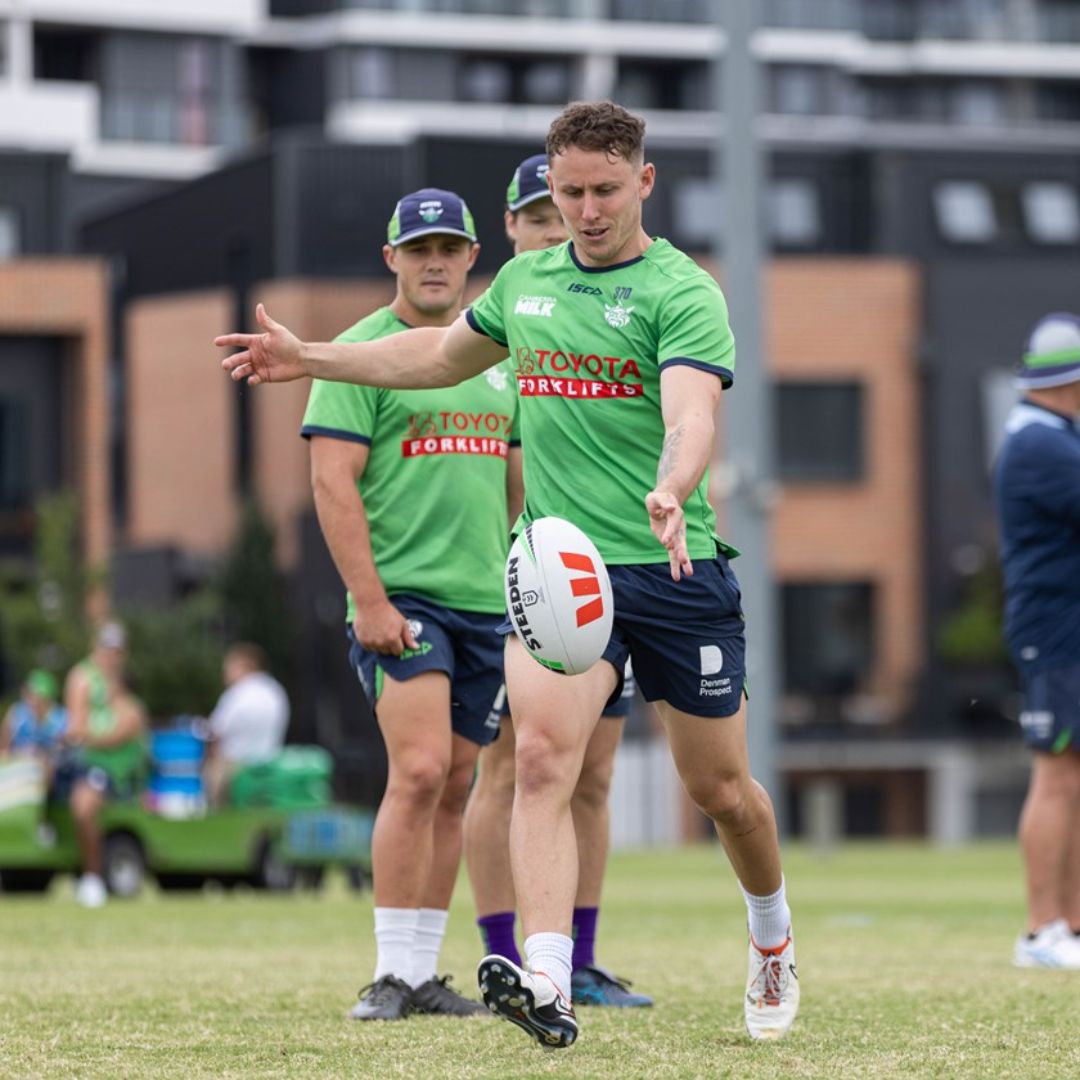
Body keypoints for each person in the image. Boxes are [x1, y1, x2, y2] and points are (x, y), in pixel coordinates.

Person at [216, 101, 799, 1048]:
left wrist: (673, 483)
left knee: (722, 791)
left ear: (643, 183)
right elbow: (437, 356)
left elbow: (692, 411)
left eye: (605, 190)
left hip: (672, 564)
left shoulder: (681, 291)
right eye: (568, 192)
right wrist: (309, 354)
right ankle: (549, 982)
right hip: (561, 570)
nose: (586, 209)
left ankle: (771, 936)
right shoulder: (526, 282)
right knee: (536, 763)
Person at [299, 187, 522, 1021]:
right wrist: (368, 599)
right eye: (418, 249)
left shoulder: (494, 356)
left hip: (485, 606)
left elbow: (515, 481)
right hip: (404, 602)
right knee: (421, 768)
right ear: (391, 258)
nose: (435, 262)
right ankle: (390, 973)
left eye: (450, 248)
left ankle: (425, 976)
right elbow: (331, 481)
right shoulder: (360, 352)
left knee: (459, 782)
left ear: (473, 258)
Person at [461, 152, 652, 1009]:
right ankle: (506, 952)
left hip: (602, 584)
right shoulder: (503, 338)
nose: (561, 221)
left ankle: (579, 957)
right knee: (515, 772)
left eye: (574, 203)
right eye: (541, 212)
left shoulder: (604, 313)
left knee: (593, 777)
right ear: (512, 228)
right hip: (527, 586)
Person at [992, 312, 1080, 971]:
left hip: (1063, 626)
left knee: (1070, 777)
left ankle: (1067, 927)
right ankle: (1040, 930)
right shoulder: (1040, 442)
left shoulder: (1047, 434)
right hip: (1055, 629)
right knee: (1056, 776)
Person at [62, 621, 147, 908]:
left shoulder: (125, 694)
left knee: (86, 807)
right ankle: (88, 876)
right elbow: (76, 729)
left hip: (118, 771)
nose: (110, 657)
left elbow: (129, 727)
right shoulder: (83, 677)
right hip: (85, 763)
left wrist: (92, 736)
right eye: (106, 649)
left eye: (116, 651)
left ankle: (93, 877)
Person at [204, 642, 289, 808]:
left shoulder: (238, 693)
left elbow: (214, 731)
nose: (224, 674)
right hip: (271, 760)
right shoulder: (275, 690)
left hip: (236, 766)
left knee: (209, 773)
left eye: (228, 668)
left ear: (243, 665)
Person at [0, 670, 67, 767]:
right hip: (18, 763)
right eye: (28, 694)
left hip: (50, 767)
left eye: (34, 694)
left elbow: (65, 749)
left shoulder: (60, 718)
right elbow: (3, 746)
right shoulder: (17, 713)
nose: (31, 701)